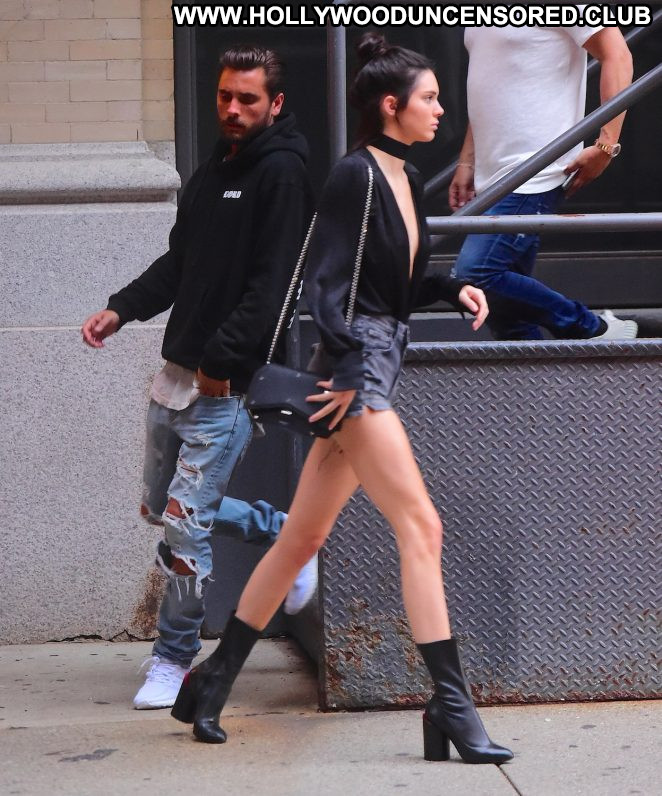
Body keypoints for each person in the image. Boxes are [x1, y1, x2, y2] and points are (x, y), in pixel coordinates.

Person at [170, 33, 514, 765]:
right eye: (429, 98)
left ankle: (211, 680)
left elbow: (392, 283)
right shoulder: (354, 176)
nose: (440, 110)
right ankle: (451, 706)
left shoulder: (401, 174)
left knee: (301, 538)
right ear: (390, 105)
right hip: (355, 378)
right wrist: (352, 372)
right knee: (422, 527)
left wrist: (451, 287)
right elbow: (325, 284)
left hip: (372, 364)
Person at [81, 44, 317, 710]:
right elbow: (179, 264)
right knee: (161, 507)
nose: (232, 109)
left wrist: (221, 363)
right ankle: (285, 533)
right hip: (177, 375)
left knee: (185, 529)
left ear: (275, 103)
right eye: (224, 96)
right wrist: (122, 308)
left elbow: (273, 289)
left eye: (247, 99)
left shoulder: (283, 174)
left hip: (225, 386)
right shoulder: (212, 171)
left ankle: (173, 658)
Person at [450, 22, 637, 341]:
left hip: (534, 170)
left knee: (475, 275)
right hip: (494, 176)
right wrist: (468, 159)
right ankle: (529, 372)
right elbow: (493, 83)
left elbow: (618, 55)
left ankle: (594, 329)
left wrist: (606, 145)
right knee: (510, 317)